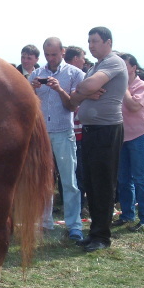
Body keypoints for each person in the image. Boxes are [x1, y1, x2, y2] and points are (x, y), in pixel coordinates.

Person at [70, 27, 128, 252]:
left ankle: (102, 237)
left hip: (107, 129)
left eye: (95, 41)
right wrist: (84, 91)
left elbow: (85, 87)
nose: (91, 45)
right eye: (89, 41)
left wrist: (85, 90)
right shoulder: (96, 66)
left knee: (103, 183)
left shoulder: (113, 62)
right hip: (92, 129)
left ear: (108, 42)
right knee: (92, 184)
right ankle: (94, 232)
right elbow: (75, 97)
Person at [29, 37, 84, 241]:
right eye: (47, 54)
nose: (51, 58)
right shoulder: (36, 74)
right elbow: (28, 106)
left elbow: (72, 106)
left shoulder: (75, 73)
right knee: (43, 180)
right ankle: (44, 221)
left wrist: (59, 89)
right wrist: (33, 89)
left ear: (63, 51)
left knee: (69, 181)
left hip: (63, 132)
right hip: (42, 134)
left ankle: (74, 225)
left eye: (54, 54)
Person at [112, 54, 144, 231]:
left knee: (140, 177)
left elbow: (133, 106)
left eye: (125, 64)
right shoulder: (118, 86)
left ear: (133, 67)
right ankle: (127, 215)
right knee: (123, 179)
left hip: (139, 136)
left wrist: (123, 87)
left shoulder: (142, 86)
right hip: (122, 137)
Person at [65, 46, 88, 216]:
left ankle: (77, 206)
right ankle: (76, 207)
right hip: (73, 131)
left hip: (77, 131)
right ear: (74, 59)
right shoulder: (72, 78)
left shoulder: (79, 77)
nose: (84, 61)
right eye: (82, 57)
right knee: (75, 172)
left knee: (75, 172)